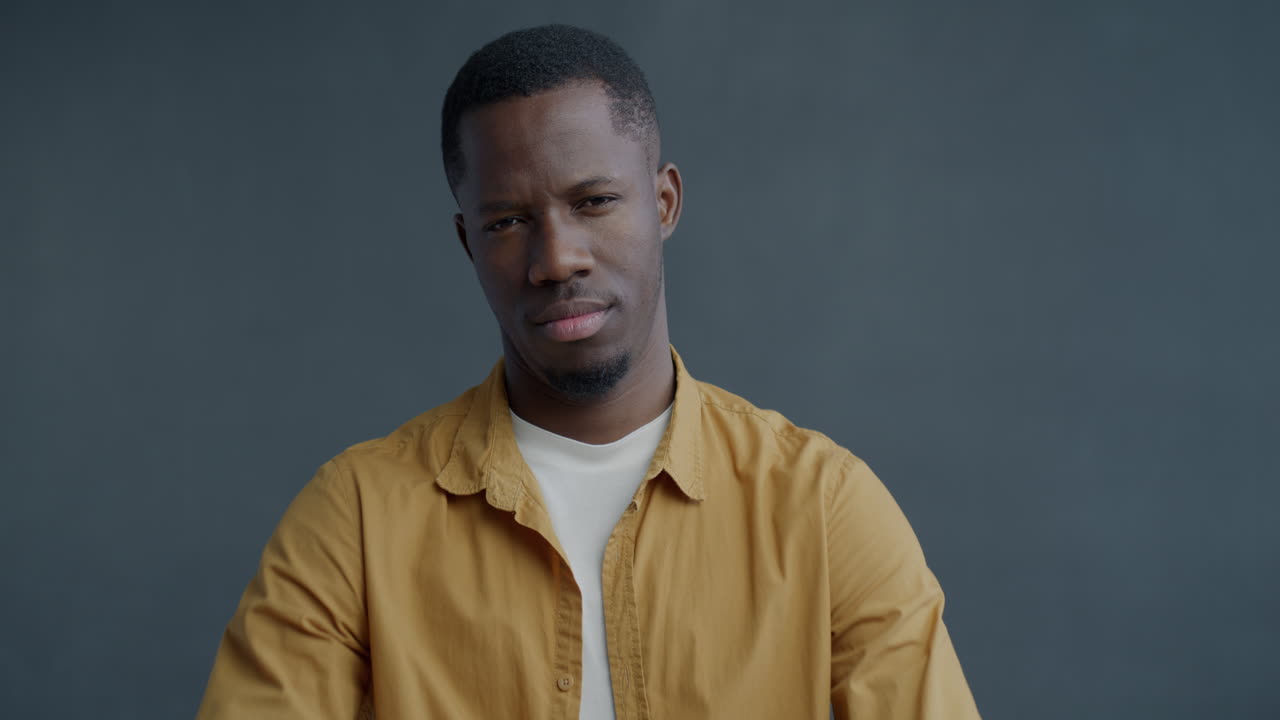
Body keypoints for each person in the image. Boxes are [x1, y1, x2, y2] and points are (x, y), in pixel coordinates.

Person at [196, 24, 981, 720]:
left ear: (664, 202)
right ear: (469, 242)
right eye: (507, 222)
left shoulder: (823, 507)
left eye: (596, 201)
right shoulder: (356, 520)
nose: (557, 259)